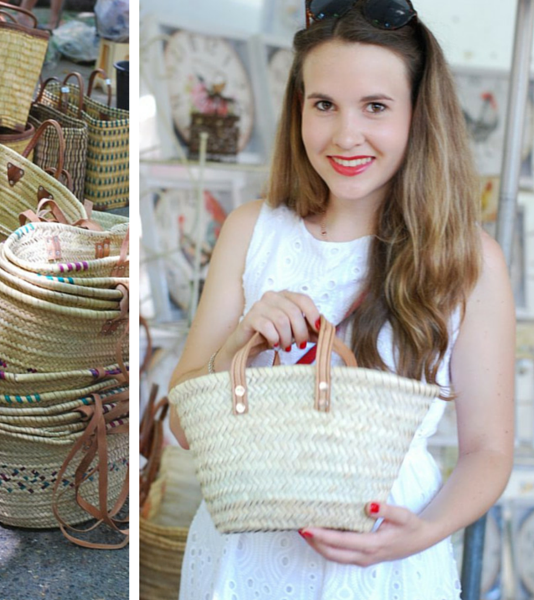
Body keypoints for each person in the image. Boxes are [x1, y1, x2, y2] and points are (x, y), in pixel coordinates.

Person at [167, 1, 515, 598]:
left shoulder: (470, 260)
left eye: (375, 107)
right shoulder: (252, 230)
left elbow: (488, 450)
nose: (345, 135)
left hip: (387, 559)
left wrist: (419, 532)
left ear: (417, 115)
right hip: (244, 555)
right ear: (297, 108)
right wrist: (237, 348)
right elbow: (182, 424)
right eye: (323, 104)